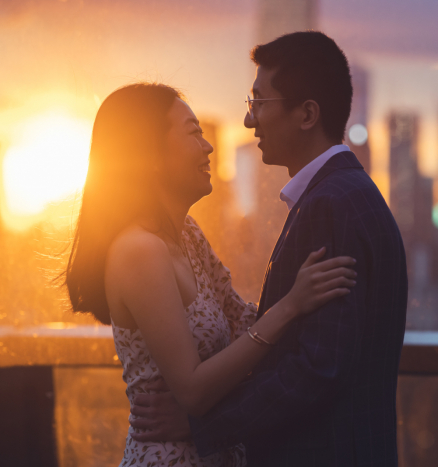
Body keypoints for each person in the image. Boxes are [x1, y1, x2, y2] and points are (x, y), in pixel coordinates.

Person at [132, 32, 408, 466]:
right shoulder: (347, 195)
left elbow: (318, 369)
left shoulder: (331, 205)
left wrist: (201, 424)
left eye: (259, 103)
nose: (249, 121)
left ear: (307, 114)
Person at [63, 82, 358, 467]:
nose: (208, 147)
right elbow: (193, 391)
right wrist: (290, 306)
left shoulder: (188, 235)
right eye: (194, 133)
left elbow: (242, 321)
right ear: (149, 153)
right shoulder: (139, 251)